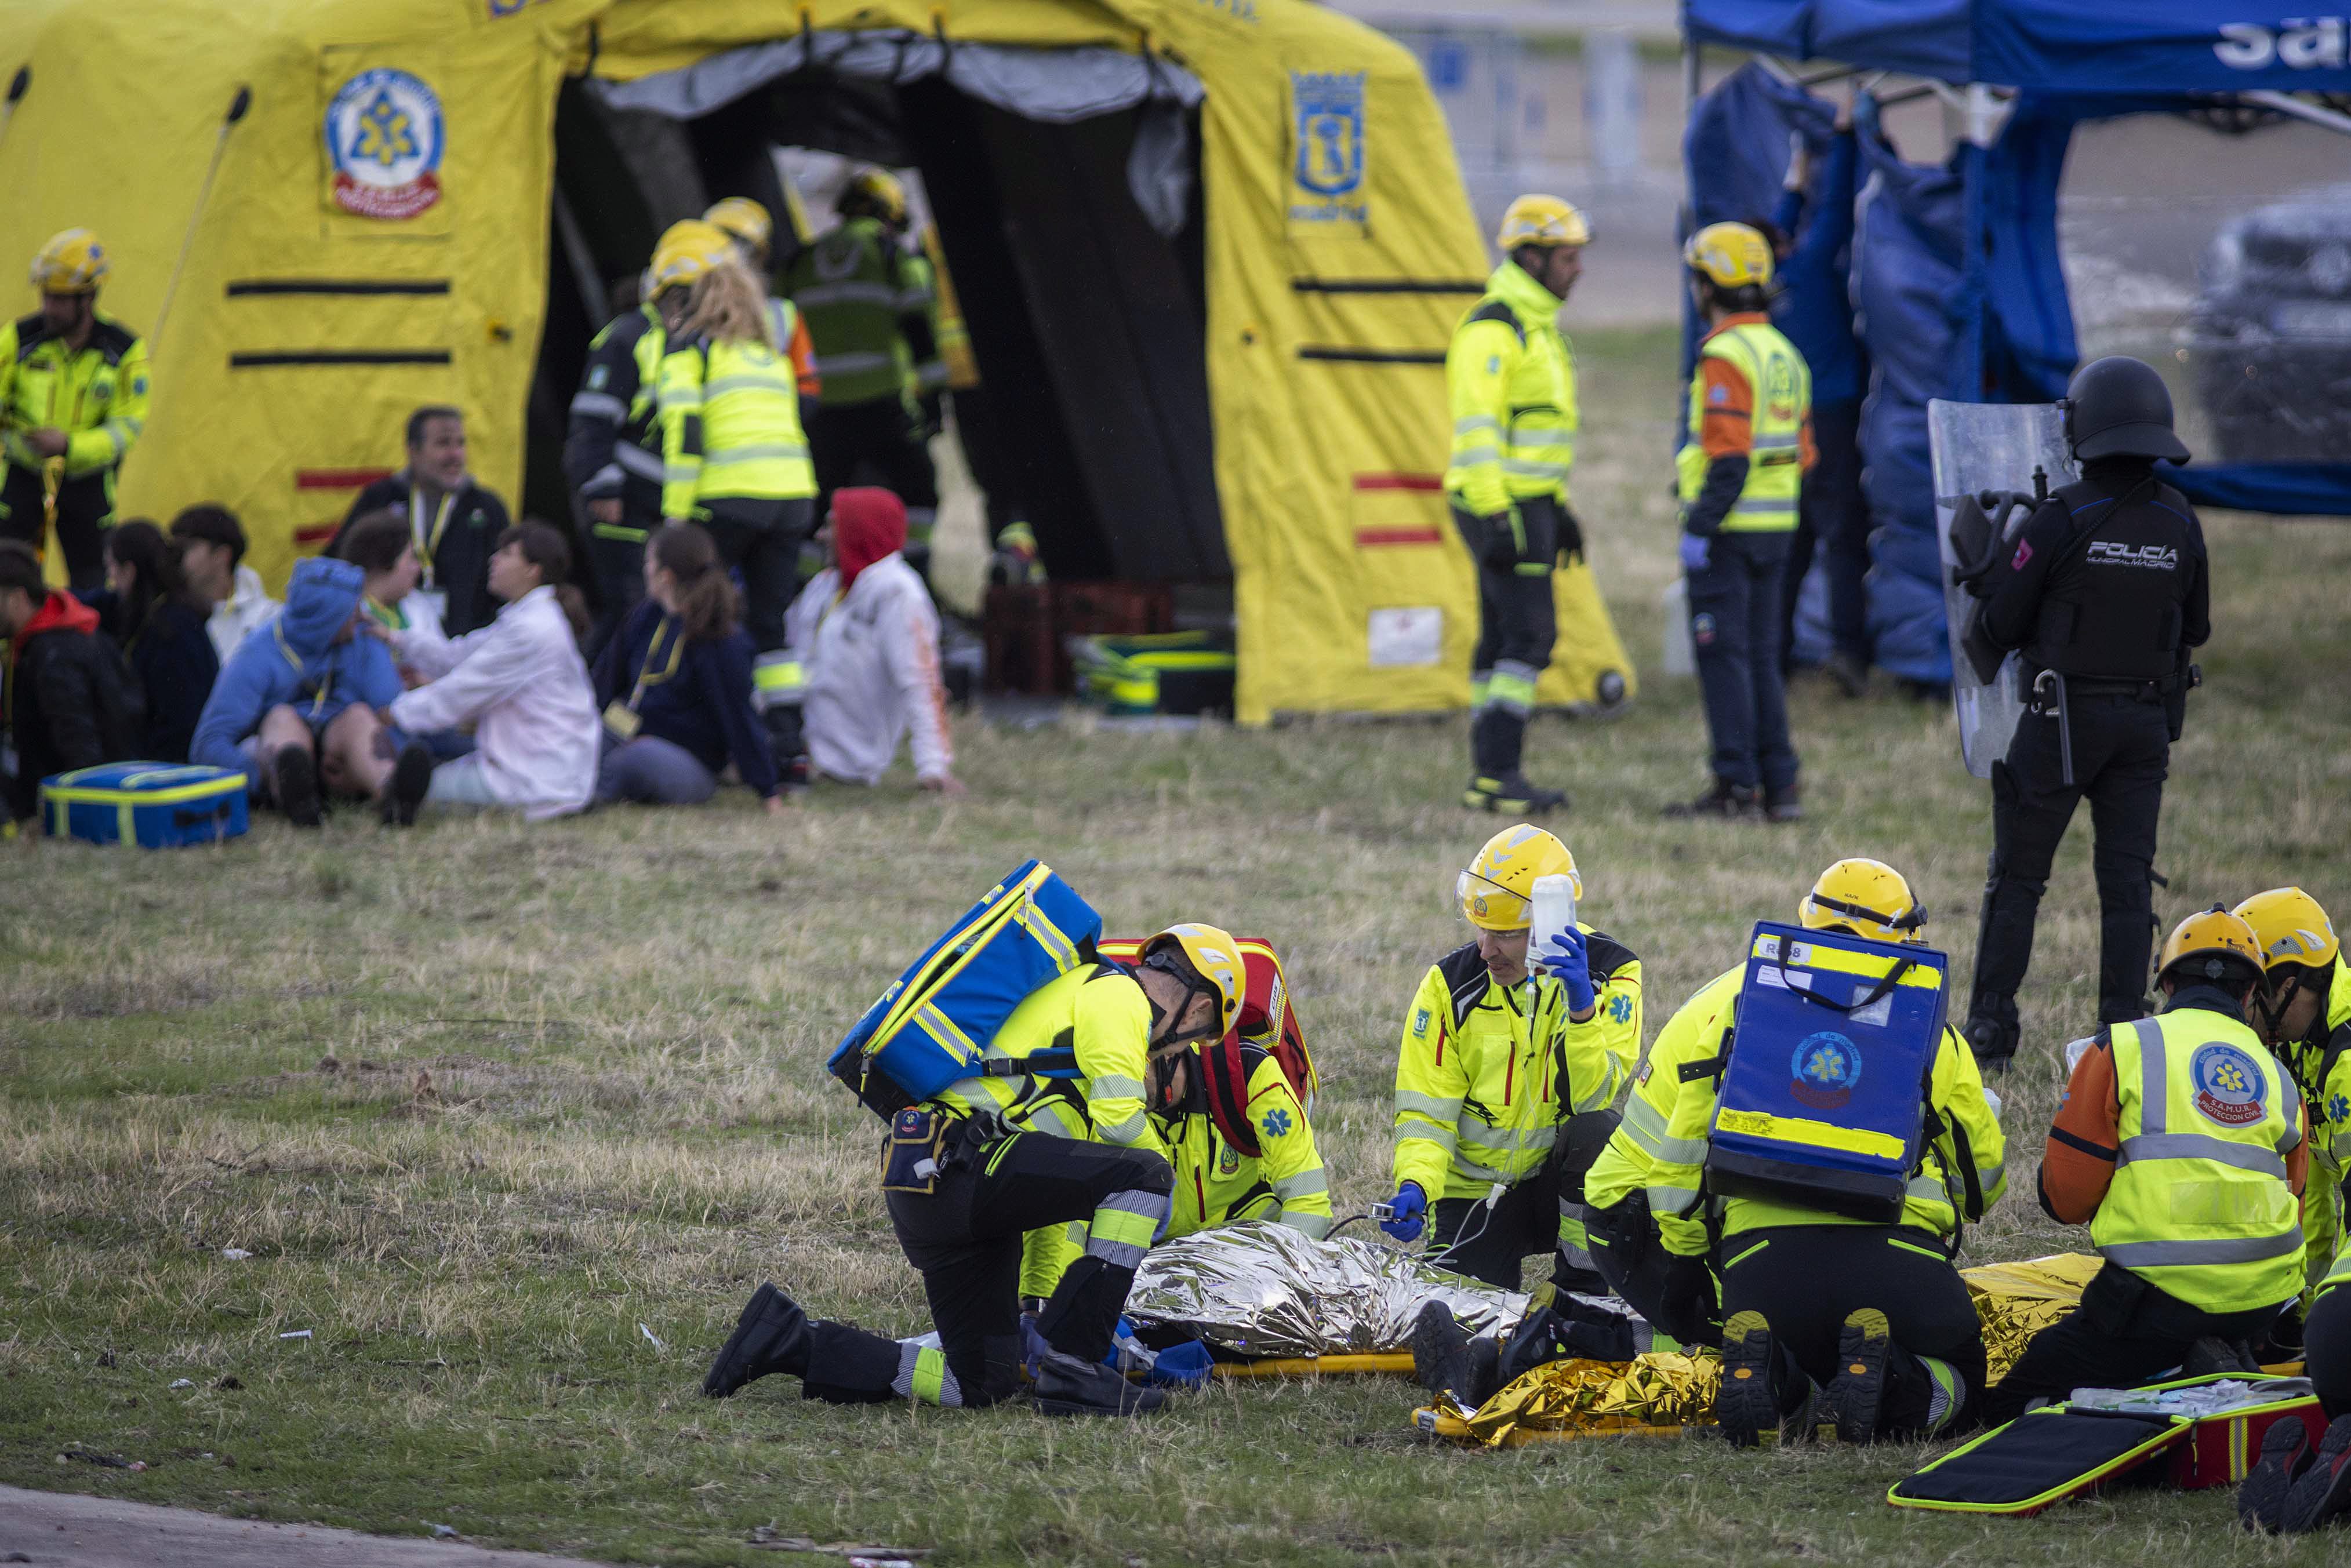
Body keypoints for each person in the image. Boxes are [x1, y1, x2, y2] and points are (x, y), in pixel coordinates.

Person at [703, 925, 1247, 1417]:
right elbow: (1120, 1120)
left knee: (979, 1382)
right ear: (1199, 1007)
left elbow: (1055, 1195)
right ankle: (1077, 1365)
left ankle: (790, 1339)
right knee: (1145, 1173)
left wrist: (1036, 1306)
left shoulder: (1080, 992)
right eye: (1196, 1038)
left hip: (929, 1183)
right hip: (969, 1165)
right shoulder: (1118, 994)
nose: (1180, 1050)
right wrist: (1164, 1187)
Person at [1561, 859, 2006, 1445]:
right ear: (1906, 941)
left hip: (1760, 1265)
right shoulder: (1928, 1029)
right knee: (1965, 1381)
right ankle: (1891, 1380)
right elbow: (1982, 1180)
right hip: (1897, 1260)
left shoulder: (1737, 1011)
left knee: (1779, 1338)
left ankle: (1781, 1382)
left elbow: (1680, 1157)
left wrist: (1689, 1261)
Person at [1960, 356, 2211, 1071]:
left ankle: (1991, 1029)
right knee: (2127, 884)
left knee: (2017, 877)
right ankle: (2122, 1034)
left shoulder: (2059, 515)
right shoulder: (2179, 517)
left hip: (2059, 722)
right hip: (2142, 729)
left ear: (2083, 429)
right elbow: (2196, 627)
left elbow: (2000, 624)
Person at [1985, 908, 2305, 1428]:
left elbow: (2067, 1198)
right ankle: (2210, 1360)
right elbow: (2297, 1195)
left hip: (2155, 1303)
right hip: (2261, 1304)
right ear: (2250, 994)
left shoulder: (2122, 1046)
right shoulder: (2279, 1076)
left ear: (2168, 983)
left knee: (2010, 1398)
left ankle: (2180, 1367)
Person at [1381, 824, 1640, 1293]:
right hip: (1477, 1193)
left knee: (1597, 1132)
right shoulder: (1446, 986)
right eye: (1480, 929)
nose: (1485, 950)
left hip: (1561, 1186)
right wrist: (1415, 1183)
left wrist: (1581, 1009)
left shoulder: (1614, 974)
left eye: (1504, 934)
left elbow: (1590, 1100)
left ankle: (1581, 1285)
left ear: (1550, 925)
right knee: (1461, 1313)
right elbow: (1427, 1112)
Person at [646, 220, 817, 769]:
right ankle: (788, 750)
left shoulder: (687, 352)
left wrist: (675, 522)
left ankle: (694, 731)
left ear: (683, 300)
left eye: (666, 303)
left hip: (727, 499)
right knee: (771, 626)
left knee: (697, 616)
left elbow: (685, 436)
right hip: (792, 499)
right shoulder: (766, 354)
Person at [1442, 196, 1588, 816]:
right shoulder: (1495, 329)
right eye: (1567, 258)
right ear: (1530, 258)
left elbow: (1533, 434)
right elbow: (1476, 430)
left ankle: (1489, 773)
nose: (1577, 269)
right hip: (1502, 504)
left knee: (1501, 633)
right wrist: (1497, 515)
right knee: (1530, 635)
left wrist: (1557, 508)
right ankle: (1499, 771)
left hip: (1528, 503)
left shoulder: (1537, 326)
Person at [1666, 223, 1815, 823]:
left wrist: (1699, 526)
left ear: (1707, 287)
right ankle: (1780, 786)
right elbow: (1805, 453)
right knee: (1760, 656)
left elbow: (1728, 459)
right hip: (1777, 530)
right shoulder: (1784, 353)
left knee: (1723, 658)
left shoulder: (1724, 355)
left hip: (1728, 535)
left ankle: (1735, 787)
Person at [188, 555, 431, 827]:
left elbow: (394, 714)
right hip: (281, 760)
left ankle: (391, 791)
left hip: (342, 761)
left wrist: (403, 754)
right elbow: (210, 742)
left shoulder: (364, 639)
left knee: (359, 716)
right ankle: (294, 795)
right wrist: (256, 778)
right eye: (352, 609)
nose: (361, 614)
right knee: (281, 718)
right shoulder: (259, 652)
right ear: (327, 617)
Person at [383, 522, 599, 821]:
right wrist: (395, 638)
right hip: (540, 768)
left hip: (535, 780)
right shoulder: (528, 618)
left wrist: (394, 714)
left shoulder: (532, 629)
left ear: (533, 571)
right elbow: (456, 656)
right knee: (423, 774)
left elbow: (462, 692)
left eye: (507, 554)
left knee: (406, 790)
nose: (494, 560)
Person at [783, 168, 942, 567]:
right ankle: (913, 572)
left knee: (821, 503)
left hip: (822, 409)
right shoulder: (888, 254)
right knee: (919, 491)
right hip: (882, 402)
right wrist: (934, 402)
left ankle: (811, 585)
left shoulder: (803, 260)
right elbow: (919, 331)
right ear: (888, 214)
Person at [1768, 101, 1872, 694]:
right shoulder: (1808, 267)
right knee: (1842, 537)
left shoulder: (1763, 287)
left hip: (1784, 424)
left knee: (1794, 541)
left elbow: (1777, 228)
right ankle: (1848, 652)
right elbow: (1835, 212)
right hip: (1831, 419)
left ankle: (1776, 653)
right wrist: (1844, 137)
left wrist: (1793, 180)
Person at [590, 522, 782, 812]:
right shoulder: (646, 616)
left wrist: (768, 791)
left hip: (686, 760)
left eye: (649, 562)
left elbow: (739, 716)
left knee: (632, 761)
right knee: (581, 742)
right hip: (625, 731)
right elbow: (606, 678)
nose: (644, 569)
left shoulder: (717, 638)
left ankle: (583, 794)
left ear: (665, 576)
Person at [779, 487, 957, 794]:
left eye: (831, 526)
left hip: (845, 768)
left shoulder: (899, 593)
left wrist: (933, 768)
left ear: (859, 531)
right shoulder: (825, 585)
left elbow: (921, 682)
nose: (820, 536)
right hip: (794, 752)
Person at [0, 230, 150, 590]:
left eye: (59, 299)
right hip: (23, 477)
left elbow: (126, 428)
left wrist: (69, 446)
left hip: (89, 485)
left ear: (89, 297)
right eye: (46, 296)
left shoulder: (125, 351)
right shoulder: (18, 339)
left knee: (93, 586)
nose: (48, 307)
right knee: (8, 581)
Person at [2235, 888, 2351, 1313]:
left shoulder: (2346, 1059)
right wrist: (2302, 1308)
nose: (2250, 1017)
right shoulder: (2302, 1040)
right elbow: (2311, 1193)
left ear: (2288, 986)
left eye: (2256, 998)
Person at [336, 406, 512, 636]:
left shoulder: (487, 508)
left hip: (466, 645)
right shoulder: (381, 498)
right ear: (413, 451)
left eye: (460, 443)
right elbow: (342, 562)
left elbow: (506, 585)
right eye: (443, 443)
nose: (455, 455)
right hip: (389, 640)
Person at [0, 540, 140, 821]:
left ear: (16, 598)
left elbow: (80, 748)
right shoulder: (53, 637)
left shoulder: (55, 656)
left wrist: (80, 818)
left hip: (81, 802)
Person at [82, 520, 217, 762]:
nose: (109, 578)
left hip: (175, 770)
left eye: (111, 568)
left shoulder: (172, 632)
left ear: (129, 572)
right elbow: (97, 603)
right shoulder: (158, 612)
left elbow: (180, 720)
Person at [169, 504, 277, 661]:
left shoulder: (268, 620)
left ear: (222, 555)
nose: (179, 558)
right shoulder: (169, 622)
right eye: (176, 549)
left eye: (188, 547)